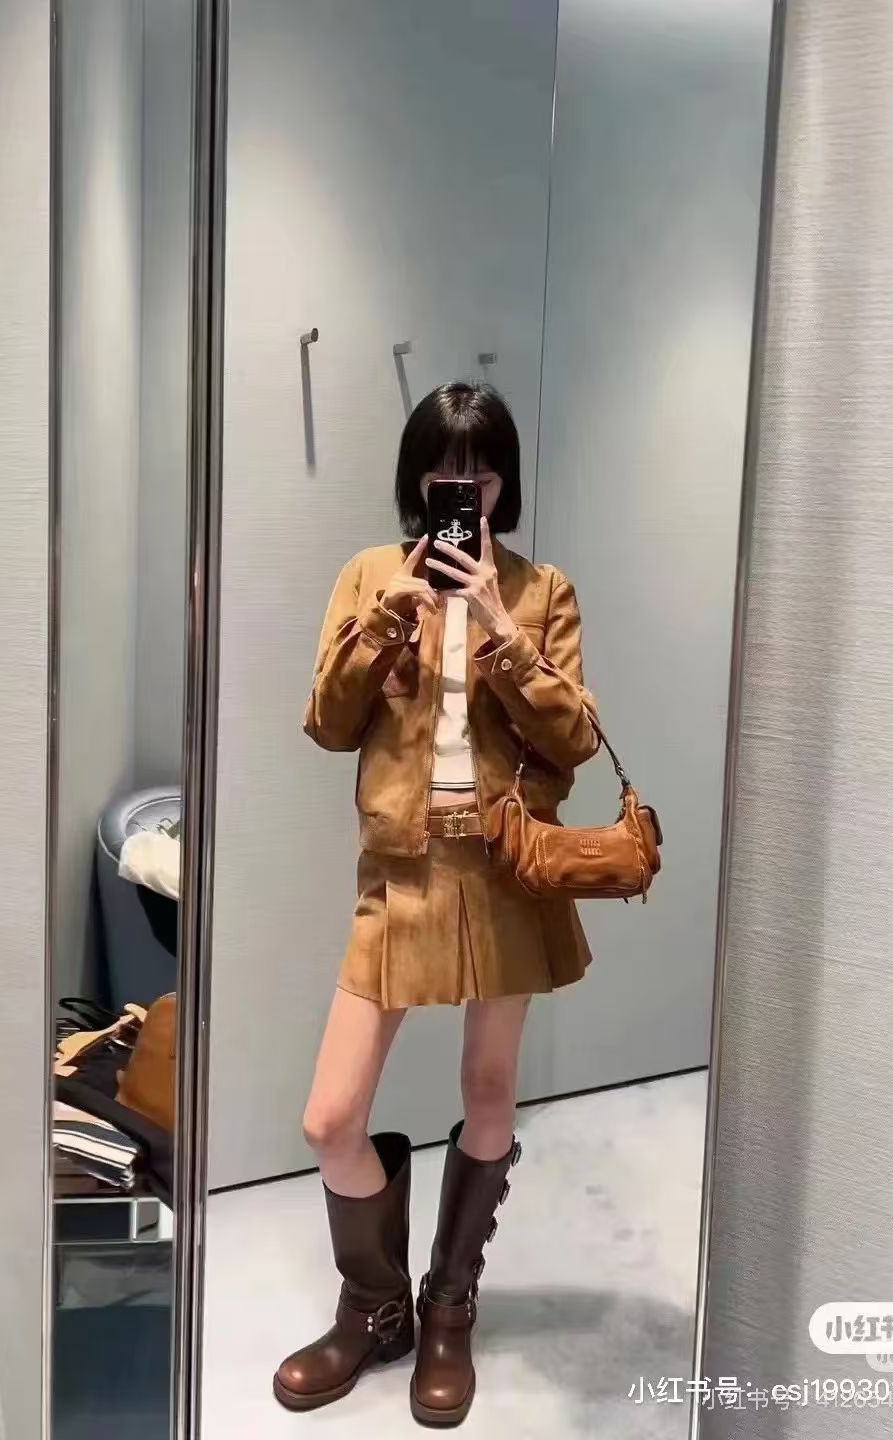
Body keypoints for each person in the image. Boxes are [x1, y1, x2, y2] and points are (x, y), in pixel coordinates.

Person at [273, 382, 599, 1425]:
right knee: (331, 1118)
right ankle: (376, 1310)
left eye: (483, 478)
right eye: (446, 478)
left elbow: (575, 741)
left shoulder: (541, 590)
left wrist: (502, 628)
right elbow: (327, 723)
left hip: (504, 873)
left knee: (491, 1088)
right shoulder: (371, 576)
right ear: (418, 483)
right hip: (401, 876)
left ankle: (448, 1307)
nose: (465, 496)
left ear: (506, 484)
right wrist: (388, 619)